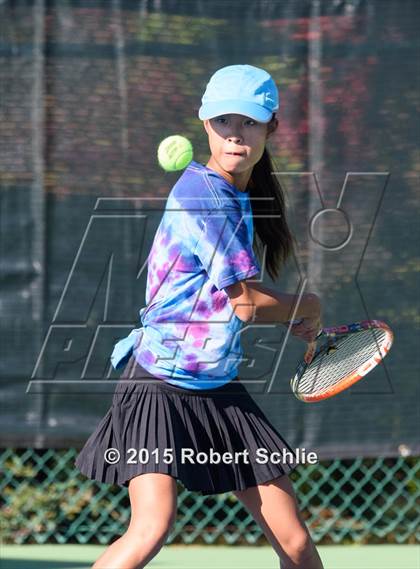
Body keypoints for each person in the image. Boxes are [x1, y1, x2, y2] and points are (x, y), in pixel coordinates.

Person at [75, 64, 324, 569]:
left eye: (250, 122)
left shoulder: (237, 191)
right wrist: (307, 307)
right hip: (159, 386)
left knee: (294, 541)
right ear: (204, 124)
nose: (236, 133)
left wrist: (288, 314)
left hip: (217, 387)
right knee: (150, 528)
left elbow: (232, 300)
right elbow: (248, 304)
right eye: (223, 121)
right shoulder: (203, 196)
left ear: (271, 126)